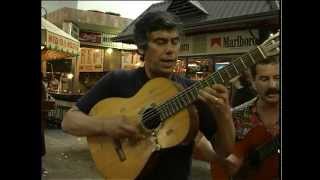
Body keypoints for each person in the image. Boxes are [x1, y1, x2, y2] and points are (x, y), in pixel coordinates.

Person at [62, 11, 235, 180]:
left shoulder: (192, 91)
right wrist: (106, 125)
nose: (170, 50)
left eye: (174, 42)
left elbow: (223, 150)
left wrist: (224, 115)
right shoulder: (118, 80)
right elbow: (69, 121)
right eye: (160, 42)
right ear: (142, 47)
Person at [211, 55, 280, 180]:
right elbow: (221, 158)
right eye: (264, 79)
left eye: (277, 77)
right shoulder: (237, 115)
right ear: (253, 82)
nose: (273, 85)